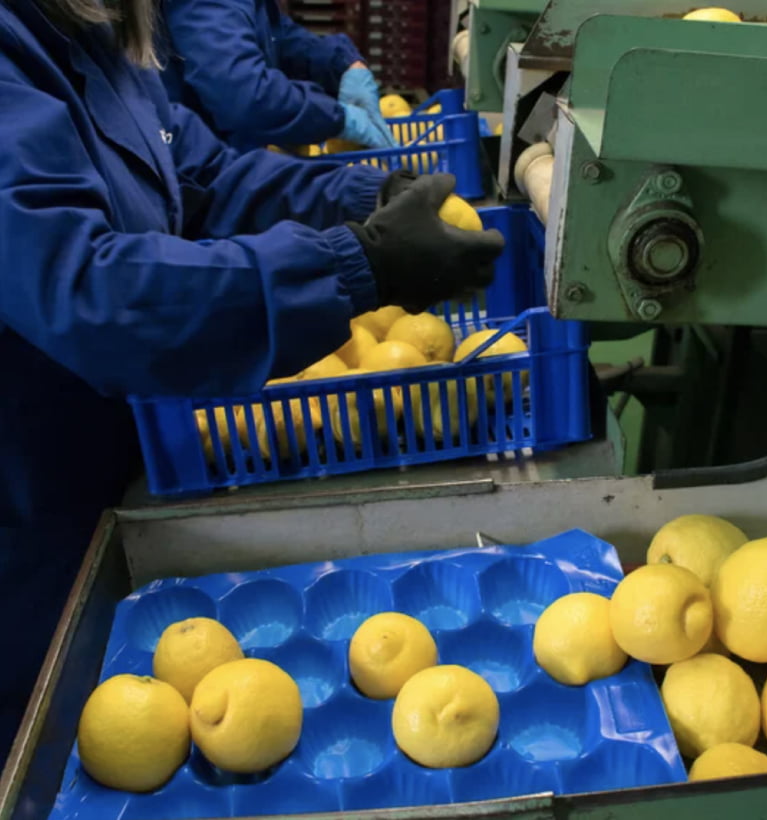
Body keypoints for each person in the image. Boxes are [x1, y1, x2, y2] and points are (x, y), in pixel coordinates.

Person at [0, 0, 505, 748]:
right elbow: (89, 290)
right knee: (43, 741)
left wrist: (365, 199)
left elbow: (201, 177)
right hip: (27, 515)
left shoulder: (86, 33)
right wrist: (356, 264)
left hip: (120, 466)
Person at [159, 0, 396, 151]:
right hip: (199, 178)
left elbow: (277, 38)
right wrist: (337, 118)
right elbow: (244, 97)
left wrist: (343, 65)